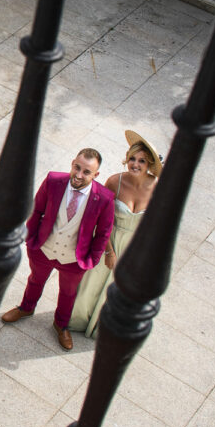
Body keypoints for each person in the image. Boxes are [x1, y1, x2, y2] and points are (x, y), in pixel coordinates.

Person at [0, 149, 116, 351]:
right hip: (44, 249)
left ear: (96, 175)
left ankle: (61, 325)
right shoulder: (53, 181)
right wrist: (30, 238)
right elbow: (37, 209)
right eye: (77, 167)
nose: (79, 175)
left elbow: (103, 233)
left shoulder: (105, 199)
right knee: (35, 279)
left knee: (68, 292)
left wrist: (93, 259)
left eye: (86, 172)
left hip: (74, 259)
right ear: (72, 163)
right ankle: (26, 308)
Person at [68, 130, 162, 338]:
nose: (135, 164)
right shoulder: (115, 182)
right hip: (108, 242)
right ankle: (76, 322)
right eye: (132, 159)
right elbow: (101, 219)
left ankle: (103, 328)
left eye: (142, 161)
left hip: (135, 248)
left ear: (149, 165)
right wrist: (109, 252)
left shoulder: (158, 189)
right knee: (91, 285)